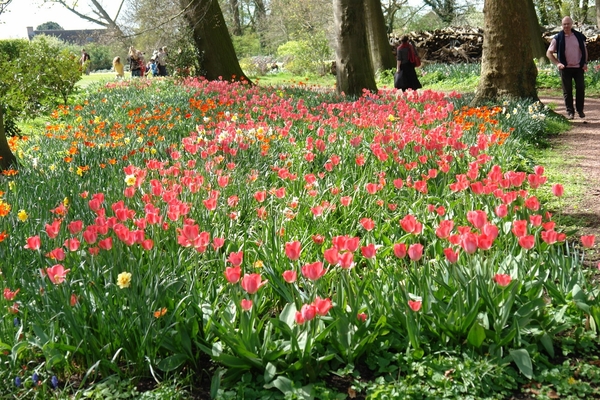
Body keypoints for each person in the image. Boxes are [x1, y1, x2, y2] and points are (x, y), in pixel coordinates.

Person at [546, 16, 588, 120]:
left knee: (580, 88)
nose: (566, 26)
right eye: (564, 24)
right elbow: (548, 53)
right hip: (565, 68)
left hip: (578, 67)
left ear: (571, 24)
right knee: (567, 91)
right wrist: (557, 64)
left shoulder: (579, 36)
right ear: (562, 25)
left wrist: (585, 62)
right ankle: (570, 112)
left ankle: (580, 110)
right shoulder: (558, 38)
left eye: (568, 24)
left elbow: (585, 51)